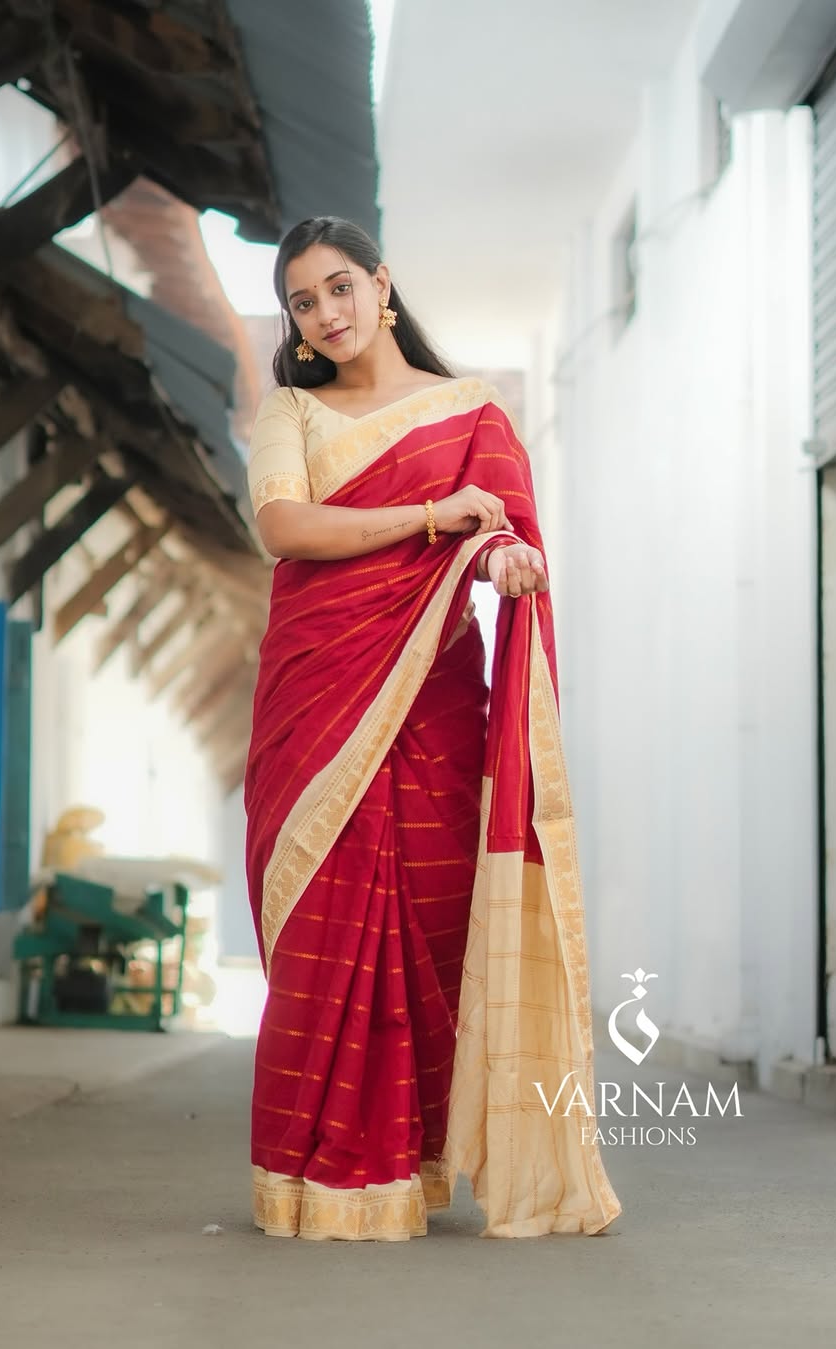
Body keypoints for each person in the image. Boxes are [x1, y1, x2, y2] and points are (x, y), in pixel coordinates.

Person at [243, 216, 620, 1242]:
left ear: (382, 282)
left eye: (338, 286)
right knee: (322, 922)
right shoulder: (292, 408)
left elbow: (502, 533)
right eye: (304, 302)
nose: (326, 311)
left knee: (432, 923)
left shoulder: (473, 414)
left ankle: (405, 1161)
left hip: (434, 705)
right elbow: (284, 525)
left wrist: (502, 557)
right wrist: (426, 517)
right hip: (317, 697)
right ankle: (315, 1171)